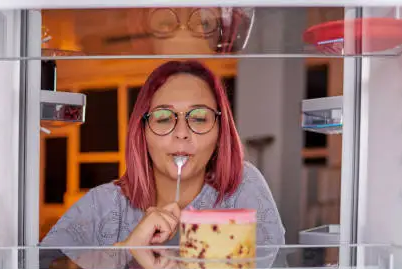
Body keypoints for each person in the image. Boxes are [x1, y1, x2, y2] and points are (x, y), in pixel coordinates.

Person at [41, 59, 285, 251]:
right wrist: (126, 251)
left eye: (199, 118)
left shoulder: (243, 187)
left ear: (221, 131)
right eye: (163, 118)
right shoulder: (101, 207)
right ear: (142, 130)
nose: (181, 133)